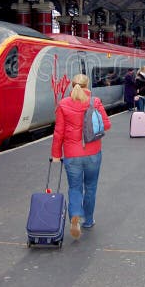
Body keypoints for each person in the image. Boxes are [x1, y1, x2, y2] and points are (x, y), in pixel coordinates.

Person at [51, 73, 111, 239]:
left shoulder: (63, 104)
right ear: (87, 85)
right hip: (93, 153)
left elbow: (58, 133)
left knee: (75, 188)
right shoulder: (95, 102)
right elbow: (106, 125)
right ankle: (89, 220)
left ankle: (75, 216)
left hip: (72, 155)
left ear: (72, 86)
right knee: (90, 187)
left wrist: (56, 154)